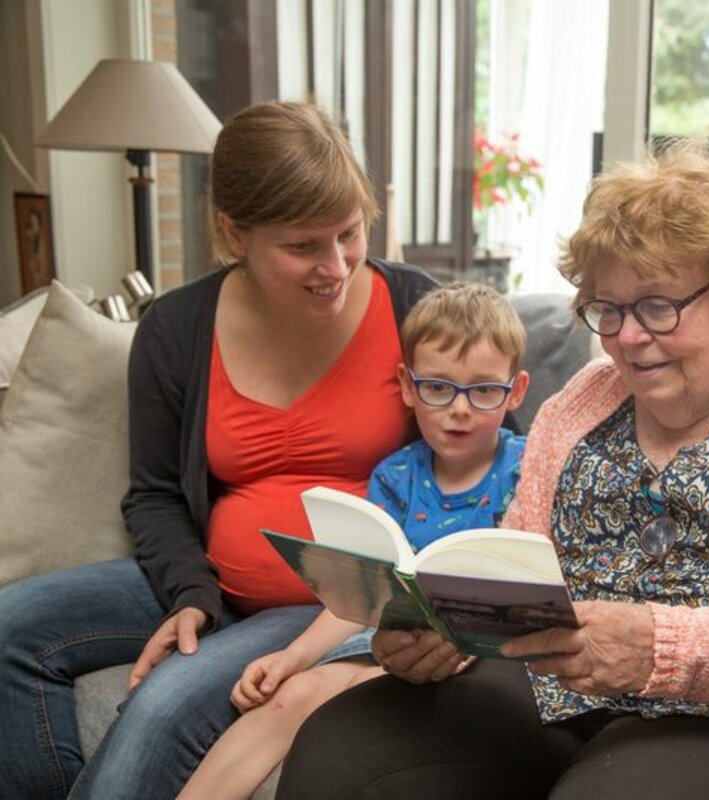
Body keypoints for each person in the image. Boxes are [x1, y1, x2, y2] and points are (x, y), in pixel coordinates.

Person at [276, 140, 709, 800]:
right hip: (553, 690)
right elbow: (511, 572)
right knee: (340, 743)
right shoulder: (579, 403)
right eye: (608, 309)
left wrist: (658, 648)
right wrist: (444, 636)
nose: (627, 337)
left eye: (657, 306)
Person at [0, 100, 437, 799]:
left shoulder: (417, 309)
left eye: (349, 234)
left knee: (158, 711)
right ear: (236, 232)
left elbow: (493, 457)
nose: (335, 266)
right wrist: (190, 596)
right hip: (210, 581)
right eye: (303, 247)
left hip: (333, 604)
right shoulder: (177, 327)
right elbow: (155, 494)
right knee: (10, 627)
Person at [180, 281, 530, 799]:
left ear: (515, 391)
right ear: (407, 386)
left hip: (471, 656)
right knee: (290, 696)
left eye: (483, 390)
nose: (460, 408)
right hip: (379, 638)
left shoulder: (527, 467)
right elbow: (360, 595)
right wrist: (292, 657)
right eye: (438, 388)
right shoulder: (395, 476)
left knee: (359, 697)